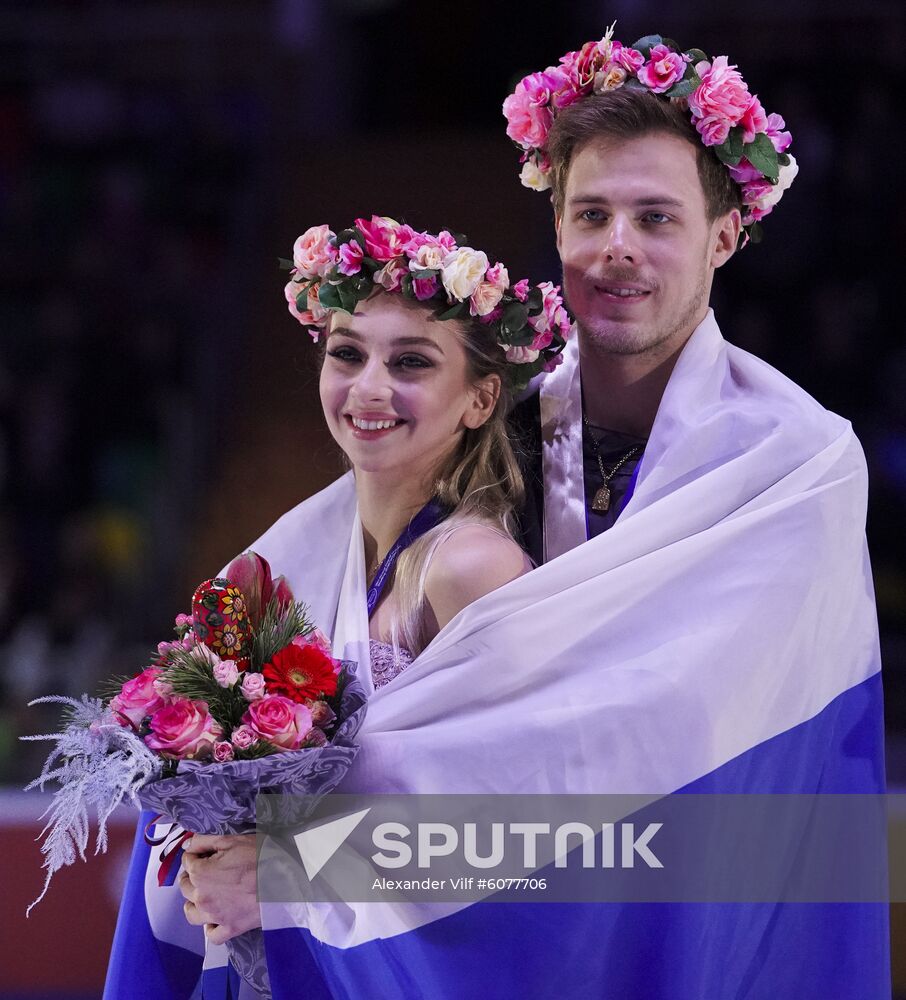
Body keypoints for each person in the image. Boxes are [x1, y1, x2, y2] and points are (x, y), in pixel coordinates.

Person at [108, 32, 888, 1000]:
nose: (618, 246)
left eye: (657, 216)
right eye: (591, 212)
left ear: (723, 236)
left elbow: (630, 744)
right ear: (555, 225)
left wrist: (302, 866)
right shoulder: (481, 430)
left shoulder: (794, 463)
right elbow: (321, 621)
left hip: (697, 931)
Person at [103, 218, 569, 998]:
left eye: (411, 362)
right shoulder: (307, 554)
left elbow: (529, 827)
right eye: (347, 353)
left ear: (481, 399)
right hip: (304, 959)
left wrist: (283, 868)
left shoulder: (469, 566)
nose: (369, 387)